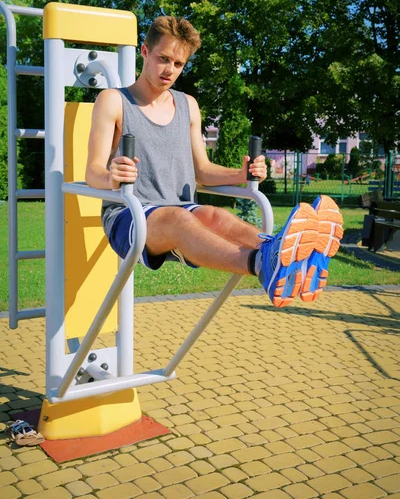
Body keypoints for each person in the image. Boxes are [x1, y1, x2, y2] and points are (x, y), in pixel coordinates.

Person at [86, 16, 343, 307]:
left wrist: (242, 173)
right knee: (181, 218)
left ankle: (283, 255)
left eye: (179, 64)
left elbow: (202, 171)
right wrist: (111, 177)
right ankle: (263, 264)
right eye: (163, 59)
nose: (170, 70)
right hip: (129, 215)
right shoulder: (114, 101)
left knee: (214, 215)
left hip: (178, 208)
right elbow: (92, 171)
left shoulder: (188, 106)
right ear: (144, 52)